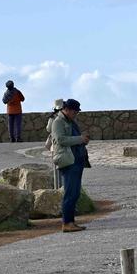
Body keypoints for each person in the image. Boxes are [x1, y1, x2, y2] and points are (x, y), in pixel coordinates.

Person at [49, 98, 91, 232]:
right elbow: (60, 139)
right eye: (74, 112)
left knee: (75, 193)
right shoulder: (58, 122)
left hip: (76, 160)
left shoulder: (70, 121)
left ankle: (71, 222)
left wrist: (82, 139)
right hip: (68, 161)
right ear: (66, 109)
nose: (76, 114)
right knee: (70, 193)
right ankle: (67, 223)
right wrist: (80, 139)